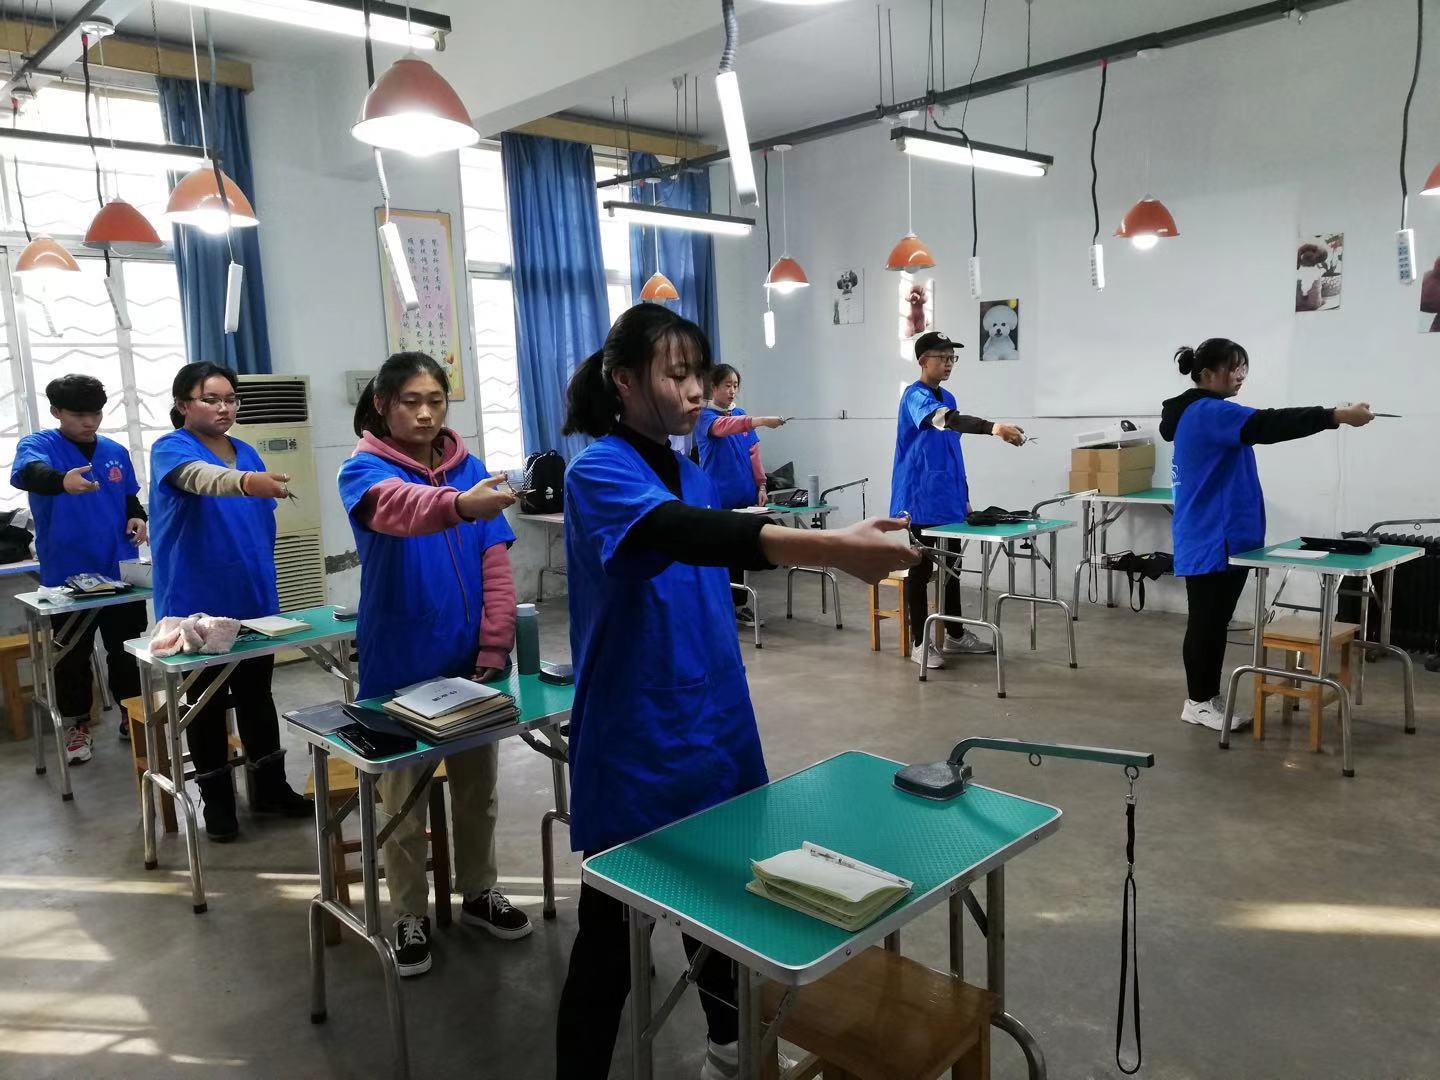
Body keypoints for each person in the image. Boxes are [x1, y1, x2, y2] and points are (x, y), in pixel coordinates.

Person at [552, 304, 918, 1080]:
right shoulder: (597, 472)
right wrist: (828, 547)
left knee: (720, 904)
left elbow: (713, 533)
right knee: (612, 939)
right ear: (624, 382)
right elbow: (677, 533)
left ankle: (729, 1044)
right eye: (676, 375)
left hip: (714, 721)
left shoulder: (692, 471)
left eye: (698, 374)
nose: (695, 390)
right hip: (639, 736)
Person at [337, 351, 532, 978]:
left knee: (478, 791)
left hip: (468, 667)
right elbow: (399, 508)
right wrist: (460, 505)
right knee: (402, 801)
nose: (425, 413)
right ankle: (408, 915)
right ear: (382, 405)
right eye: (410, 401)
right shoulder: (363, 470)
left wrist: (495, 645)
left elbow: (495, 564)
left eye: (436, 401)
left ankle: (478, 893)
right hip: (397, 666)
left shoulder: (469, 469)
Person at [1160, 338, 1374, 730]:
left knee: (1213, 622)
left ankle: (1205, 697)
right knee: (1207, 622)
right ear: (1207, 374)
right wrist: (1336, 415)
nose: (1240, 375)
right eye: (1232, 368)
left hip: (1219, 535)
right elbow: (1269, 423)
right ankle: (1198, 701)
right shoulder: (1208, 411)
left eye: (1244, 367)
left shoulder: (1202, 412)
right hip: (1213, 538)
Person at [148, 361, 311, 841]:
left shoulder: (247, 452)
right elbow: (200, 478)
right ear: (183, 404)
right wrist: (245, 482)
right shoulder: (172, 448)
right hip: (196, 602)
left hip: (253, 596)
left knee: (257, 694)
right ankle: (217, 803)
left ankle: (270, 788)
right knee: (206, 702)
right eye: (211, 399)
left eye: (230, 399)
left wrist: (250, 479)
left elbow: (257, 522)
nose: (224, 407)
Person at [10, 375, 148, 760]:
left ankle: (131, 714)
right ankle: (77, 726)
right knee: (72, 655)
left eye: (96, 414)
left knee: (125, 649)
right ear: (56, 412)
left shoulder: (115, 450)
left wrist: (137, 517)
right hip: (67, 576)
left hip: (120, 571)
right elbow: (29, 473)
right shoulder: (39, 445)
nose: (90, 422)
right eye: (78, 415)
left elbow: (129, 497)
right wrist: (61, 482)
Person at [890, 331, 1026, 668]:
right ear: (923, 361)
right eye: (942, 357)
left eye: (952, 358)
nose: (949, 363)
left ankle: (954, 633)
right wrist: (994, 428)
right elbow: (944, 421)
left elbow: (952, 450)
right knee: (921, 570)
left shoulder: (948, 395)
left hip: (948, 501)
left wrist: (963, 496)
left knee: (952, 569)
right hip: (919, 499)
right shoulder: (914, 396)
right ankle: (920, 642)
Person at [692, 363, 786, 627]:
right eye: (727, 385)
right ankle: (718, 608)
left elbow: (753, 452)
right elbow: (725, 427)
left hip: (745, 495)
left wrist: (761, 485)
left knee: (740, 553)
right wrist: (762, 421)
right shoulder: (704, 418)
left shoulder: (741, 415)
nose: (732, 391)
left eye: (735, 386)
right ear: (713, 387)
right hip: (718, 497)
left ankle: (738, 606)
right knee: (719, 554)